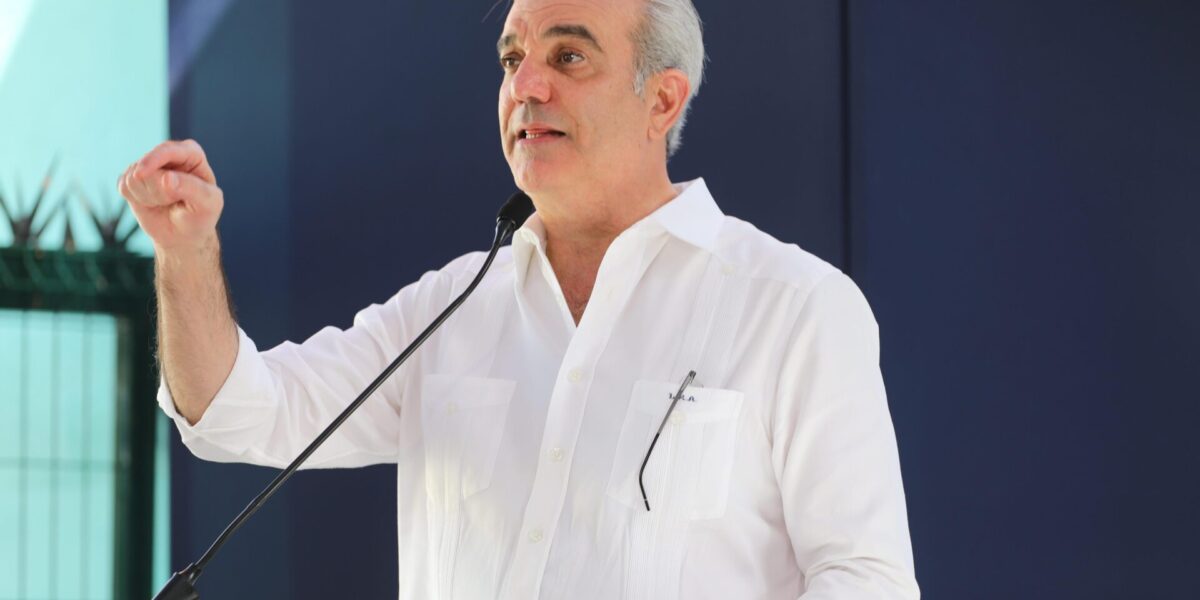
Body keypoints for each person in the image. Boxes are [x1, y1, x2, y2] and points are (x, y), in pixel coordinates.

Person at [119, 0, 920, 597]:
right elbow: (233, 414)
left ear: (663, 101)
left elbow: (866, 579)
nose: (526, 86)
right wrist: (186, 254)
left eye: (569, 57)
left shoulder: (796, 309)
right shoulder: (450, 307)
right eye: (512, 59)